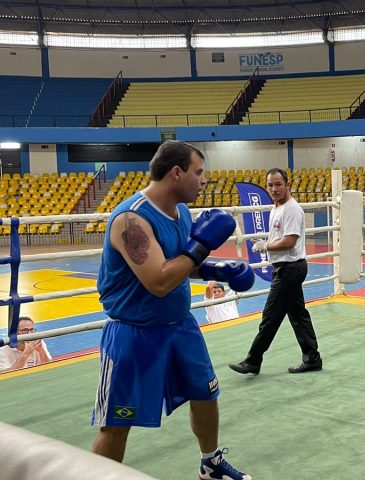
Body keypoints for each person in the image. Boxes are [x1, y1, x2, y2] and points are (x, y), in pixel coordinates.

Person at [90, 140, 255, 480]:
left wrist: (215, 270)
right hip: (134, 334)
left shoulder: (181, 213)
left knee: (207, 394)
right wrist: (202, 248)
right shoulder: (131, 220)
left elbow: (180, 264)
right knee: (117, 423)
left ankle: (210, 463)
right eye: (199, 172)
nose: (204, 180)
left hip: (180, 325)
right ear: (177, 173)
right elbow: (159, 280)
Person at [229, 167, 322, 376]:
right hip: (285, 267)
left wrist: (265, 246)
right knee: (298, 315)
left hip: (291, 269)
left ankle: (253, 360)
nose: (274, 188)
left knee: (270, 316)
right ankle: (312, 358)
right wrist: (268, 243)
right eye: (270, 185)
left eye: (278, 184)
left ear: (287, 185)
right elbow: (279, 238)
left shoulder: (291, 209)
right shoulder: (276, 208)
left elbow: (289, 241)